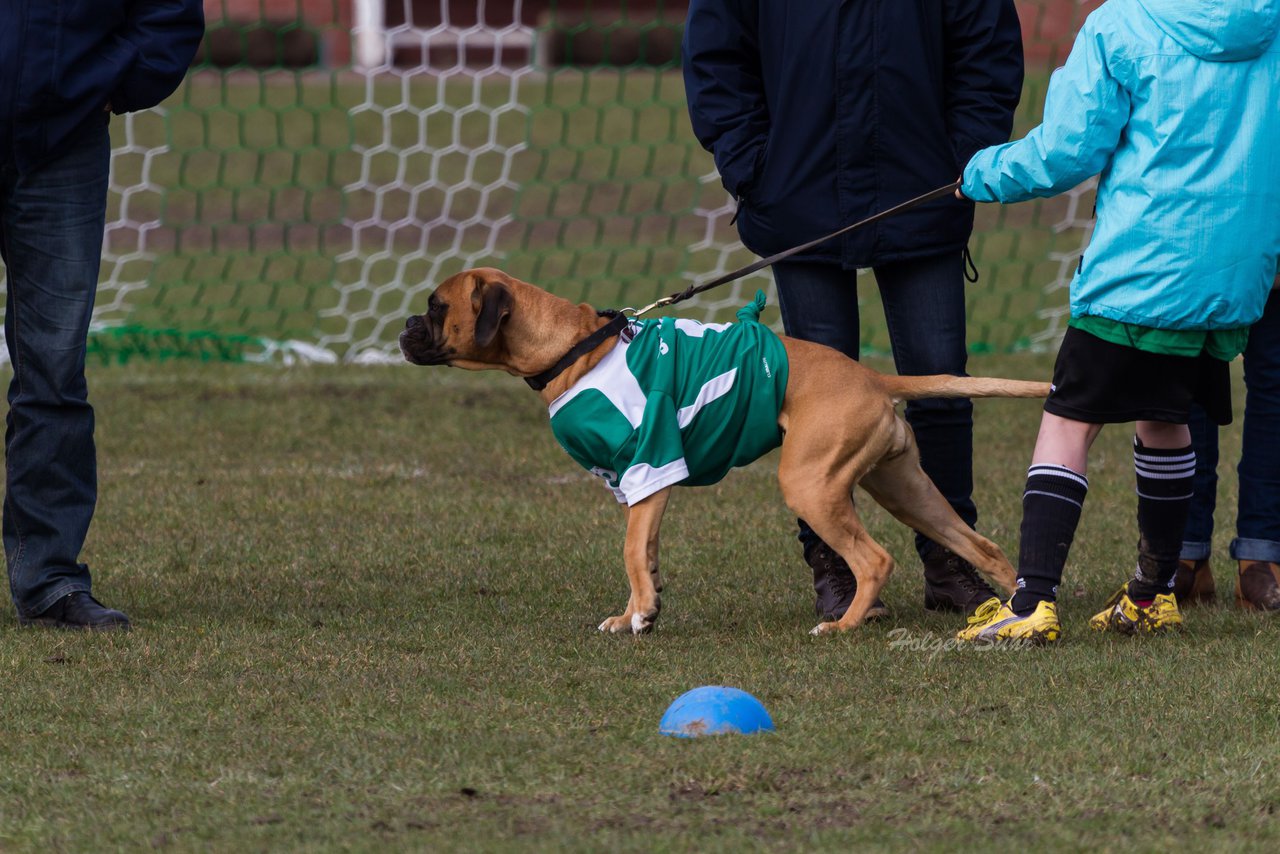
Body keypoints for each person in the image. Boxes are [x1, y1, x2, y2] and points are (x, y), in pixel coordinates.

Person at [681, 0, 1025, 622]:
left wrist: (964, 153)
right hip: (794, 189)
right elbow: (716, 54)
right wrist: (751, 163)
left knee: (940, 376)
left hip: (923, 187)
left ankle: (951, 565)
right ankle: (833, 565)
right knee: (811, 399)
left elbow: (987, 48)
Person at [956, 0, 1280, 644]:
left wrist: (980, 173)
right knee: (1164, 420)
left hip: (1137, 273)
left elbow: (1068, 150)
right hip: (1230, 279)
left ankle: (1031, 603)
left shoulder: (1120, 23)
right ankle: (1154, 593)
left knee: (1067, 422)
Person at [0, 1, 205, 629]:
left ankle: (50, 580)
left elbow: (170, 13)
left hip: (63, 144)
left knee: (55, 372)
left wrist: (107, 82)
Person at [1178, 279, 1280, 610]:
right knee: (1186, 374)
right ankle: (1182, 554)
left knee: (1275, 377)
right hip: (1196, 245)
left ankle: (1259, 558)